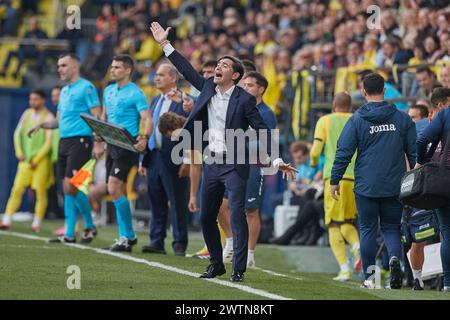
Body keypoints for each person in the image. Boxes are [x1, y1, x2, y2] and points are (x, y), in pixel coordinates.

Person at [150, 22, 296, 282]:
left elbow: (262, 130)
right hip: (212, 162)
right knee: (207, 216)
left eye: (225, 66)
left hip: (235, 163)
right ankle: (216, 264)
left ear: (236, 76)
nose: (218, 67)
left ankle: (238, 268)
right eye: (218, 64)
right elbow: (185, 68)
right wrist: (164, 44)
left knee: (237, 213)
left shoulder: (245, 99)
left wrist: (276, 160)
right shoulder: (207, 87)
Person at [331, 72, 417, 289]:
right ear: (384, 90)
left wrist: (335, 180)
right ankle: (395, 260)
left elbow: (344, 152)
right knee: (391, 228)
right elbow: (414, 153)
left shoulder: (357, 119)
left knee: (368, 229)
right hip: (394, 184)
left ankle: (369, 278)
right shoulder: (402, 118)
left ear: (363, 91)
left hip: (366, 185)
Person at [28, 53, 102, 244]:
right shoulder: (65, 91)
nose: (59, 69)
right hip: (64, 142)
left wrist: (99, 141)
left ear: (74, 67)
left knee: (72, 184)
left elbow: (97, 116)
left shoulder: (86, 87)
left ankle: (89, 225)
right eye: (58, 65)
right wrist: (41, 125)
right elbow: (58, 121)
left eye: (63, 65)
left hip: (81, 141)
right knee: (67, 188)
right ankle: (70, 233)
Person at [219, 71, 277, 268]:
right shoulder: (239, 105)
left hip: (254, 164)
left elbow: (262, 140)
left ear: (261, 89)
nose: (245, 89)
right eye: (243, 85)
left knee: (250, 210)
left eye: (250, 85)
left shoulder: (266, 113)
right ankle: (231, 242)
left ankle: (250, 254)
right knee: (221, 204)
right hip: (233, 161)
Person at [101, 54, 153, 252]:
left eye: (117, 67)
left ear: (128, 70)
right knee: (114, 190)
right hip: (110, 143)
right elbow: (104, 116)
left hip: (126, 144)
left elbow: (147, 119)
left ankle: (127, 236)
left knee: (114, 188)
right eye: (112, 66)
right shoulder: (108, 90)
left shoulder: (136, 93)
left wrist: (144, 138)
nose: (112, 70)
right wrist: (99, 137)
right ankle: (128, 237)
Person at [139, 63, 190, 256]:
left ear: (173, 79)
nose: (156, 78)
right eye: (156, 75)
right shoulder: (154, 101)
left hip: (174, 157)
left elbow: (189, 131)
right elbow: (149, 130)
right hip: (154, 156)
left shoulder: (185, 100)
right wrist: (143, 160)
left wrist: (187, 160)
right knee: (156, 199)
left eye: (161, 75)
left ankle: (179, 243)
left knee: (177, 201)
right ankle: (156, 240)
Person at [310, 92, 361, 282]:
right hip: (355, 178)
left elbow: (315, 150)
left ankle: (345, 268)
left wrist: (314, 163)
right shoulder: (358, 119)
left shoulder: (325, 120)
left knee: (332, 223)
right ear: (350, 105)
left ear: (333, 104)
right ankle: (356, 249)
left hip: (333, 178)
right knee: (347, 220)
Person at [0, 90, 55, 232]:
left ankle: (37, 222)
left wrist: (37, 159)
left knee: (40, 192)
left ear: (43, 100)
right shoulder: (26, 114)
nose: (32, 102)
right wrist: (19, 152)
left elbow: (48, 142)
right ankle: (7, 219)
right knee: (17, 189)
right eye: (31, 99)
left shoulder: (49, 117)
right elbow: (17, 134)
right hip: (25, 160)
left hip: (40, 161)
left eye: (36, 99)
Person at [416, 87, 450, 293]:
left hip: (444, 178)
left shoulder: (445, 114)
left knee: (447, 232)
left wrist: (423, 161)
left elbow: (421, 139)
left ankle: (447, 283)